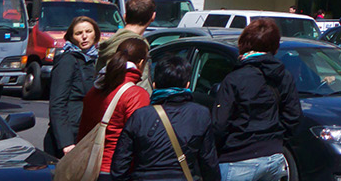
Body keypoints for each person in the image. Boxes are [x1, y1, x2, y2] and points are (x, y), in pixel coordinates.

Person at [212, 18, 301, 181]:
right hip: (273, 157)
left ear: (244, 44)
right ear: (275, 46)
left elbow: (219, 125)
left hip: (237, 157)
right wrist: (275, 138)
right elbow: (293, 116)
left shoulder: (235, 78)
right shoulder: (284, 76)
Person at [112, 50, 218, 181]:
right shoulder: (200, 114)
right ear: (187, 85)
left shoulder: (140, 116)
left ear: (154, 85)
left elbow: (120, 164)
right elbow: (208, 162)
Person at [76, 37, 152, 178]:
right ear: (141, 63)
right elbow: (139, 138)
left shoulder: (96, 89)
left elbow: (83, 130)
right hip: (117, 169)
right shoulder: (136, 94)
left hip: (89, 166)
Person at [46, 15, 101, 156]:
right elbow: (57, 103)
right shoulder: (68, 61)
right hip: (70, 137)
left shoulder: (96, 60)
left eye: (88, 31)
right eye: (79, 33)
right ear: (71, 37)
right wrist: (66, 142)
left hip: (87, 133)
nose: (84, 36)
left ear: (95, 34)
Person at [99, 0, 157, 84]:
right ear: (153, 16)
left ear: (125, 16)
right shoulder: (137, 46)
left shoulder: (111, 42)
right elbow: (141, 84)